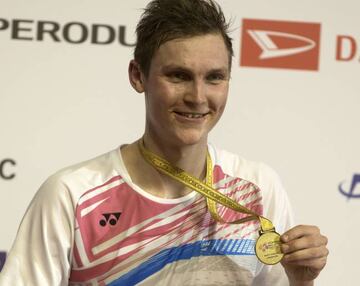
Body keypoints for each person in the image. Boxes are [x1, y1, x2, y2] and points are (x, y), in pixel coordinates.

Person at [0, 0, 328, 285]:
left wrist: (301, 281)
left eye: (214, 77)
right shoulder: (72, 195)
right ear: (138, 76)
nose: (198, 97)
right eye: (178, 75)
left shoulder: (258, 187)